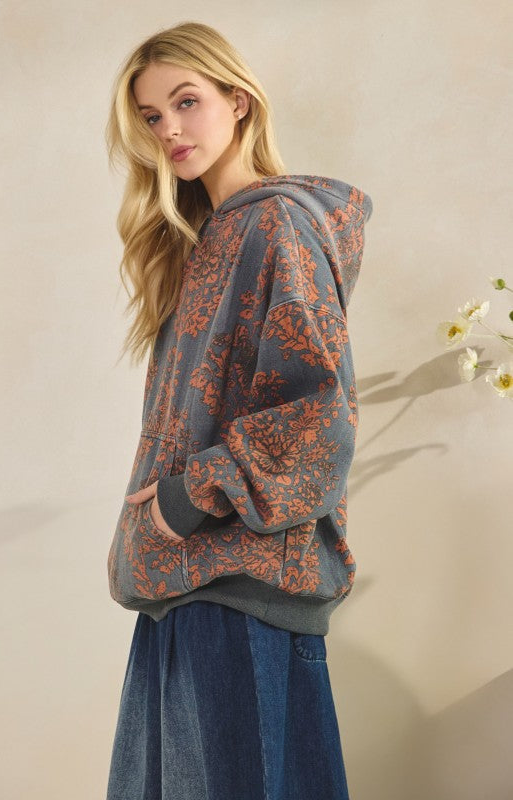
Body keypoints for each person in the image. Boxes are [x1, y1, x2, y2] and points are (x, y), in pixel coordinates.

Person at [104, 20, 373, 800]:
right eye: (150, 116)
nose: (169, 129)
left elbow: (319, 416)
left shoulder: (274, 222)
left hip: (234, 595)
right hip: (185, 594)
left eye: (186, 101)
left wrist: (188, 497)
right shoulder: (208, 241)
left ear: (239, 101)